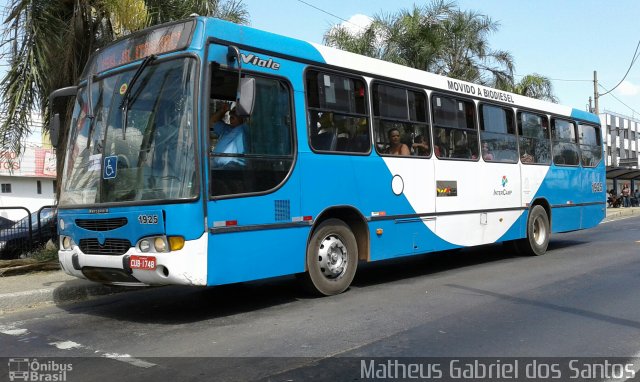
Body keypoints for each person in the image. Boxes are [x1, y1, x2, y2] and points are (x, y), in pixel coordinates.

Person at [210, 103, 246, 168]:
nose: (231, 115)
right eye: (231, 113)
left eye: (235, 113)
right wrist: (222, 111)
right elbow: (213, 121)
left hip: (226, 169)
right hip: (213, 164)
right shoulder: (227, 129)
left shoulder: (245, 131)